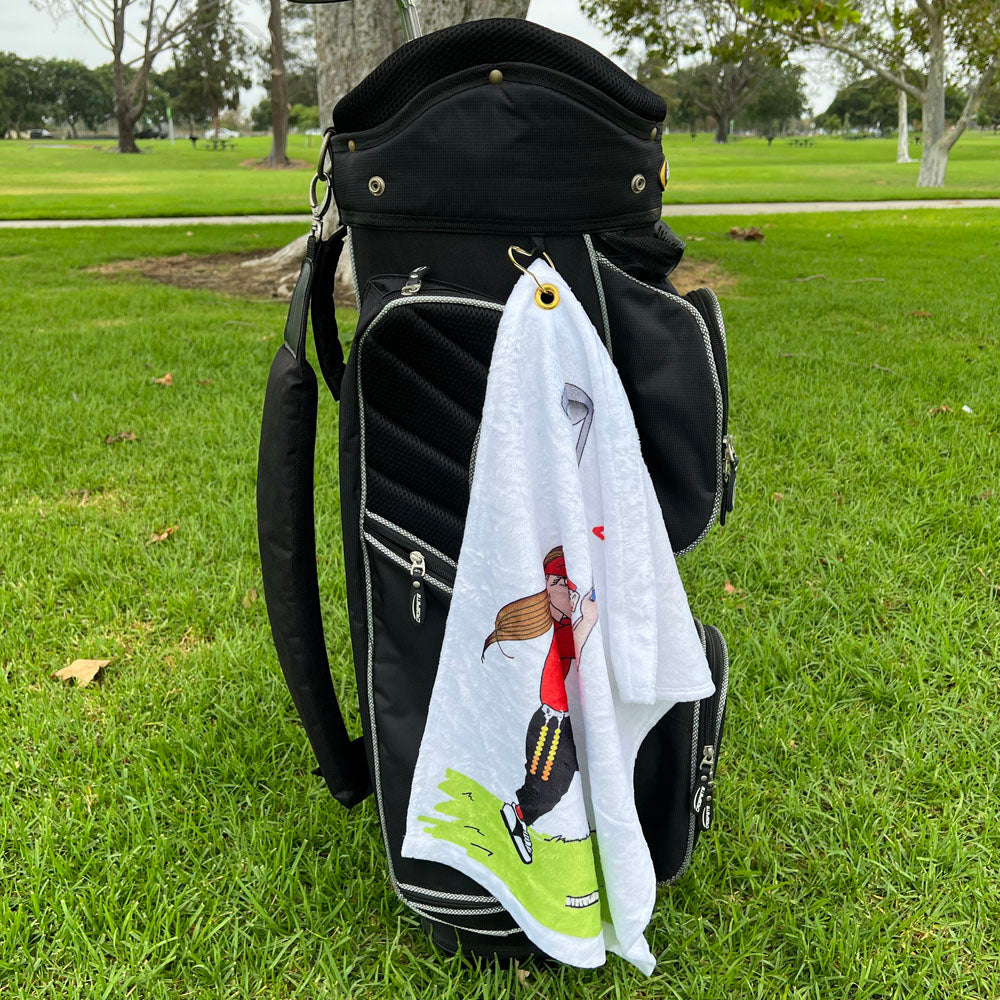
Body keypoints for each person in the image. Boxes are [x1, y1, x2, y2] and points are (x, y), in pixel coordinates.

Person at [481, 546, 598, 863]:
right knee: (546, 789)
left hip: (574, 721)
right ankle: (516, 815)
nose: (567, 592)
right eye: (557, 583)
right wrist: (587, 618)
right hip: (553, 724)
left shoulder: (565, 625)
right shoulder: (559, 629)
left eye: (568, 585)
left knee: (582, 779)